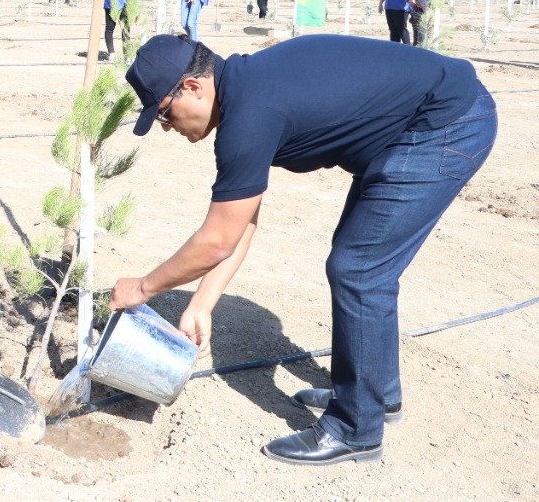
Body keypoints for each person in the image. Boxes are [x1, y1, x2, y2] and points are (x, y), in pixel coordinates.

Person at [113, 33, 495, 465]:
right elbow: (241, 223)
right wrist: (202, 302)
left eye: (165, 113)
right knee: (359, 266)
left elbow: (217, 240)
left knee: (359, 271)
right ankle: (377, 394)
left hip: (444, 125)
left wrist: (143, 288)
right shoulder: (247, 90)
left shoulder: (249, 116)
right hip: (423, 120)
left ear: (194, 87)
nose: (168, 127)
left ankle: (356, 428)